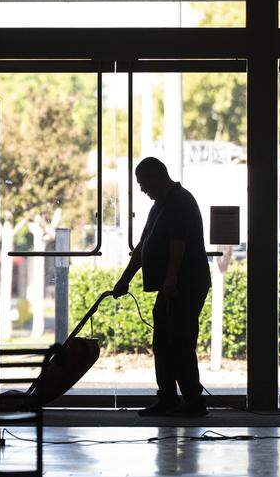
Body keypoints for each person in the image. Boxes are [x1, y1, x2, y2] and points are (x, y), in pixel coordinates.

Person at [112, 157, 212, 416]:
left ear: (157, 177)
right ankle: (169, 397)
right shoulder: (160, 205)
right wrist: (125, 279)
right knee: (164, 341)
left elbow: (177, 244)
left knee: (179, 341)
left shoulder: (179, 202)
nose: (142, 189)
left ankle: (192, 401)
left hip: (185, 285)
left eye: (143, 183)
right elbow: (143, 246)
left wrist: (171, 278)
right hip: (174, 286)